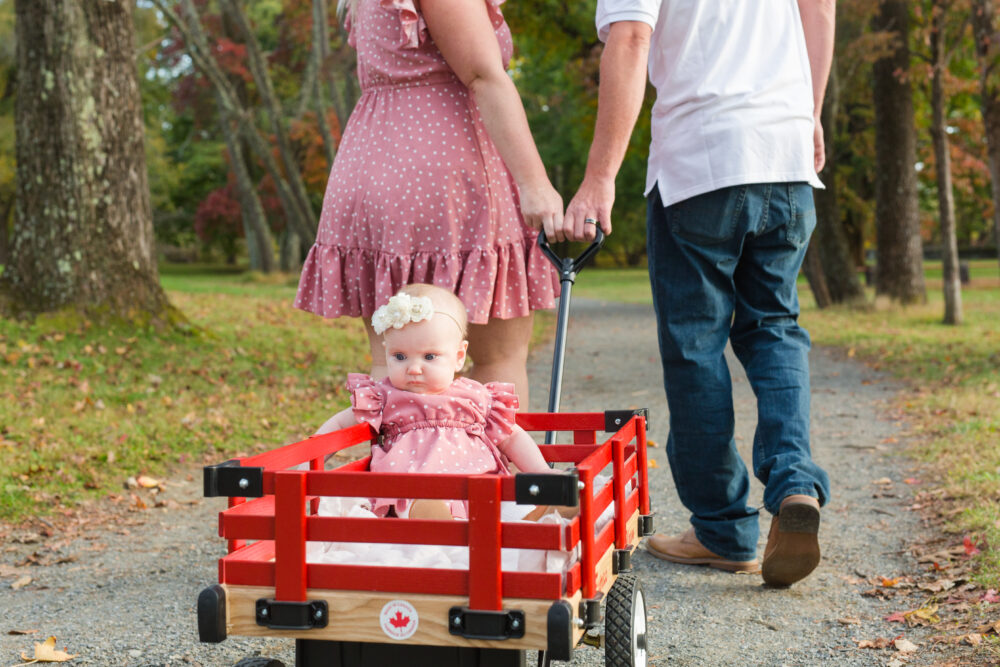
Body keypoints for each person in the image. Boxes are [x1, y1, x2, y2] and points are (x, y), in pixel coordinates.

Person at [559, 0, 835, 586]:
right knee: (775, 326)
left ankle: (723, 530)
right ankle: (795, 482)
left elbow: (631, 38)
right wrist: (809, 114)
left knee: (695, 346)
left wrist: (599, 178)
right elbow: (821, 9)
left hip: (703, 161)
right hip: (785, 155)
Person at [295, 0, 563, 409]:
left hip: (376, 160)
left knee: (397, 358)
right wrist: (535, 182)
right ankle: (493, 471)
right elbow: (482, 74)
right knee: (498, 358)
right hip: (445, 169)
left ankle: (401, 469)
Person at [314, 284, 553, 521]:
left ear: (459, 357)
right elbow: (339, 425)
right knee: (412, 501)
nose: (414, 368)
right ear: (386, 352)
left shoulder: (475, 396)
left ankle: (533, 518)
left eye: (429, 357)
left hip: (477, 486)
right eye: (399, 356)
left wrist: (542, 473)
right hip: (412, 485)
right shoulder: (383, 396)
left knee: (505, 504)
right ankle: (435, 520)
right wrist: (309, 462)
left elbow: (512, 436)